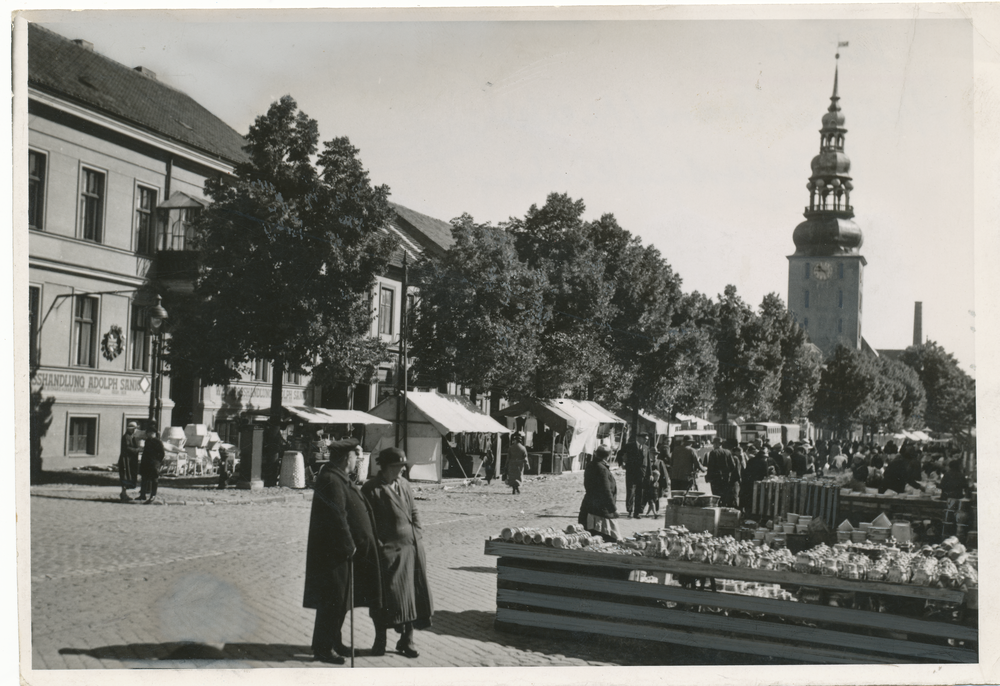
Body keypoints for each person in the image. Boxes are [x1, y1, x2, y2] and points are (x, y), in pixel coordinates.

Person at [303, 439, 382, 665]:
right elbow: (336, 518)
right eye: (355, 456)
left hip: (341, 554)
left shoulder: (339, 477)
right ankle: (323, 648)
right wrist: (350, 546)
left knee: (340, 600)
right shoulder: (330, 479)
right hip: (334, 555)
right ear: (346, 457)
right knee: (332, 601)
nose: (357, 460)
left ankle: (333, 641)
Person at [361, 447, 433, 659]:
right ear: (385, 467)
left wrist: (417, 534)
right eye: (398, 467)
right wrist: (380, 546)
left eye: (403, 466)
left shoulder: (404, 484)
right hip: (388, 553)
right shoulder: (371, 489)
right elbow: (367, 524)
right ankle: (380, 639)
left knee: (412, 595)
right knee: (385, 597)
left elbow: (414, 512)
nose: (402, 470)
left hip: (412, 549)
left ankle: (407, 640)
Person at [577, 445, 621, 541]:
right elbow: (606, 491)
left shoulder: (591, 465)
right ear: (608, 456)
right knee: (604, 538)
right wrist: (613, 509)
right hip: (600, 512)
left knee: (589, 537)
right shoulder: (601, 469)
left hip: (589, 506)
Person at [705, 437, 740, 508]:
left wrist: (708, 477)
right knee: (725, 497)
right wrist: (727, 473)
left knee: (717, 497)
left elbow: (710, 467)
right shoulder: (728, 452)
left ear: (715, 444)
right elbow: (733, 466)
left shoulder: (713, 453)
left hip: (716, 480)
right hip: (726, 479)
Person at [623, 435, 652, 518]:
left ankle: (637, 512)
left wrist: (650, 474)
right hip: (631, 472)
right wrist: (623, 463)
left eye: (647, 439)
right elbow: (622, 455)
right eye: (644, 439)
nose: (646, 441)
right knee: (631, 492)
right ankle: (629, 511)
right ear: (638, 438)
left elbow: (648, 461)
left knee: (640, 493)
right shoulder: (629, 446)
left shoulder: (646, 448)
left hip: (642, 473)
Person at [138, 426, 165, 502]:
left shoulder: (158, 442)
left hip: (153, 464)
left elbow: (162, 453)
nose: (148, 435)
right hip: (146, 463)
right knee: (144, 479)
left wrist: (157, 462)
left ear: (153, 433)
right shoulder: (147, 441)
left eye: (150, 433)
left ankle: (153, 495)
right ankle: (142, 495)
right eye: (148, 433)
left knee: (154, 479)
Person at [118, 421, 141, 502]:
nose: (135, 430)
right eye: (134, 429)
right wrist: (137, 450)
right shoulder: (126, 437)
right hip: (125, 460)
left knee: (128, 476)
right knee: (125, 476)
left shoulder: (131, 436)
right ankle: (123, 493)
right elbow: (127, 448)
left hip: (129, 460)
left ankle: (124, 493)